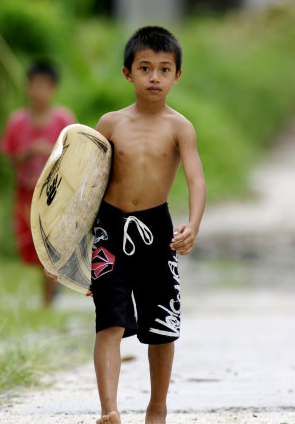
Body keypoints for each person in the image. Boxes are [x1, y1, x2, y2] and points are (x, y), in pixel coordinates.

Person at [91, 26, 206, 424]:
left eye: (164, 69)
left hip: (157, 230)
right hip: (109, 227)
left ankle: (157, 408)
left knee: (162, 324)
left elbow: (196, 179)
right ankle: (110, 409)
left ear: (177, 75)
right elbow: (84, 186)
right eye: (145, 68)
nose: (154, 77)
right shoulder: (109, 124)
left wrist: (192, 224)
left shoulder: (180, 128)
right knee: (109, 319)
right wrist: (70, 247)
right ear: (128, 74)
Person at [0, 60, 76, 306]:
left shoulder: (63, 119)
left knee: (49, 248)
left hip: (55, 196)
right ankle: (51, 287)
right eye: (35, 86)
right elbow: (8, 157)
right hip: (24, 195)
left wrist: (51, 152)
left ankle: (47, 301)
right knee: (29, 248)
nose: (39, 92)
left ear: (53, 89)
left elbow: (75, 155)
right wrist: (27, 153)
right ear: (27, 87)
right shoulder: (17, 121)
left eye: (45, 86)